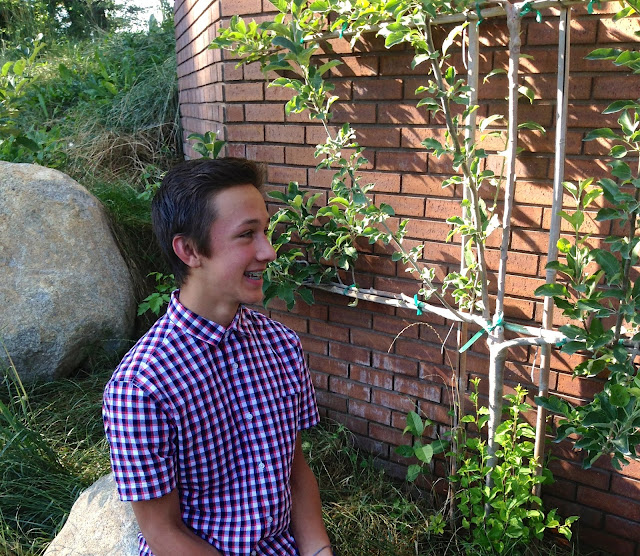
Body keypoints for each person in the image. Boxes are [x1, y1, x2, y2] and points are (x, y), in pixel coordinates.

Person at [103, 158, 333, 556]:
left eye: (265, 231)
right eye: (246, 235)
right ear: (190, 250)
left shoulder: (282, 345)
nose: (269, 251)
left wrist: (319, 552)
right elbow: (162, 532)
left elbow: (296, 473)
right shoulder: (140, 387)